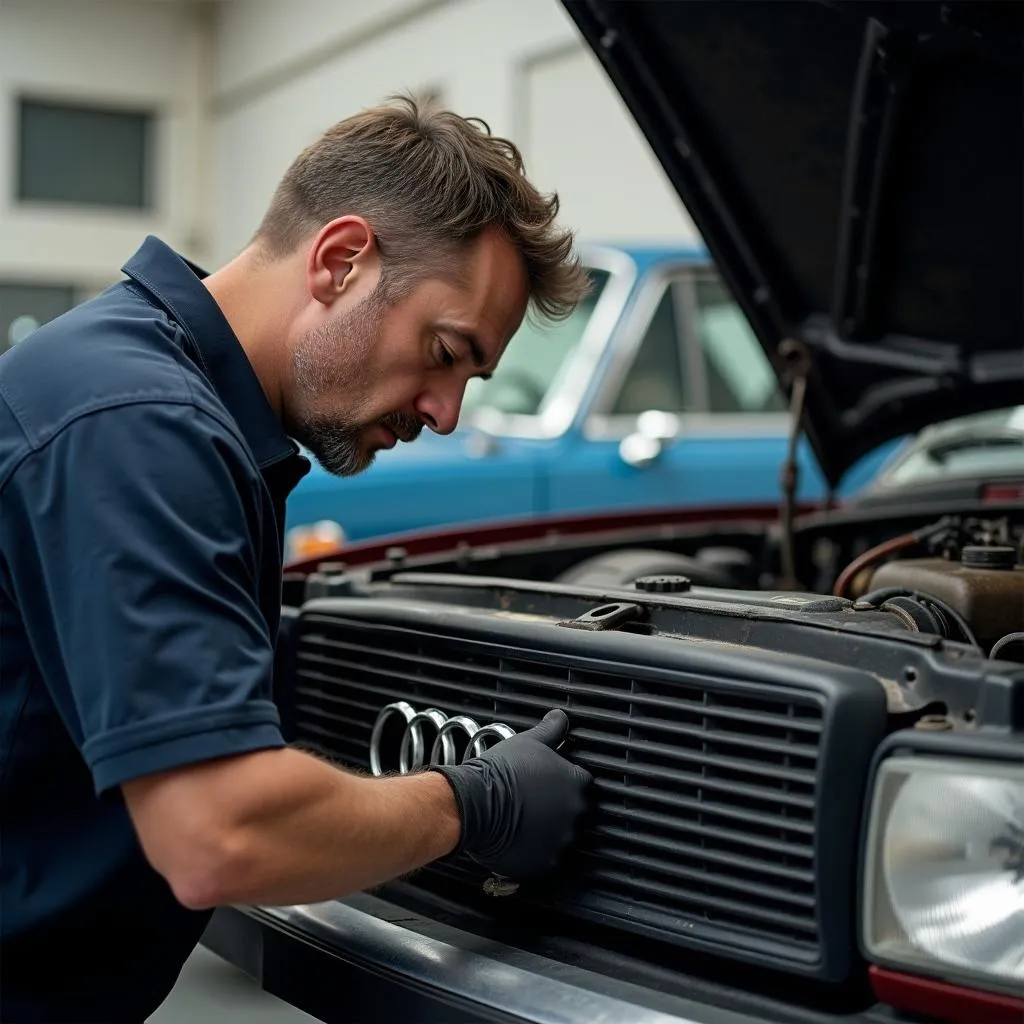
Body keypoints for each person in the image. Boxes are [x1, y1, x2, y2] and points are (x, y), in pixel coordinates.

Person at [0, 94, 594, 1023]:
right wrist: (473, 805)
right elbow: (218, 834)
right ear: (340, 259)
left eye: (470, 380)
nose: (445, 413)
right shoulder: (139, 427)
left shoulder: (132, 383)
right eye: (444, 352)